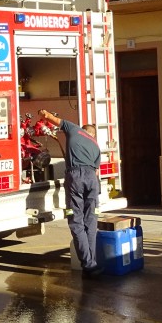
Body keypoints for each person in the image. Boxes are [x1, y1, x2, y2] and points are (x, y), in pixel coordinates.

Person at [38, 108, 103, 278]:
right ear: (93, 134)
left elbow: (53, 118)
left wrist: (44, 114)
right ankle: (92, 264)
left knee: (76, 221)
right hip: (92, 180)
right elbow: (96, 172)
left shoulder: (74, 129)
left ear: (83, 129)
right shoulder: (96, 147)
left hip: (75, 177)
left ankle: (88, 264)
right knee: (91, 222)